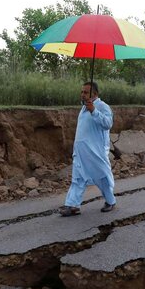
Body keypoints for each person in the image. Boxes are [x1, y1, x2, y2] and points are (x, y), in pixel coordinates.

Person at [60, 81, 116, 217]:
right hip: (80, 152)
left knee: (101, 177)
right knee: (78, 177)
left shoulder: (102, 106)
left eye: (86, 92)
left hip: (95, 152)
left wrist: (94, 111)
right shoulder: (83, 108)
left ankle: (110, 201)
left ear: (95, 94)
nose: (83, 95)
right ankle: (73, 205)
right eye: (82, 92)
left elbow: (108, 124)